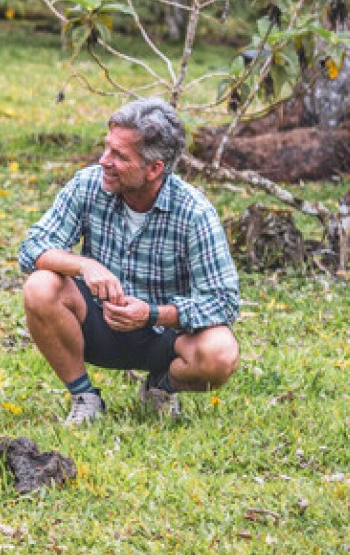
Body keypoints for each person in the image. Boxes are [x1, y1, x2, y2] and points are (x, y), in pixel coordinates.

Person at [18, 96, 240, 424]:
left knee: (221, 351)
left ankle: (160, 388)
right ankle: (85, 398)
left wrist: (153, 313)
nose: (104, 161)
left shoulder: (194, 212)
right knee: (41, 285)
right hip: (98, 324)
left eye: (119, 156)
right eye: (107, 148)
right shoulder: (88, 184)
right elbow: (32, 247)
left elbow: (224, 302)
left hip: (164, 335)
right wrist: (84, 265)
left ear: (154, 169)